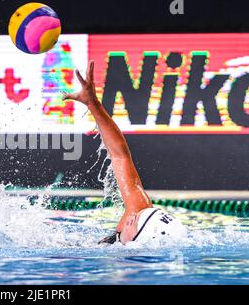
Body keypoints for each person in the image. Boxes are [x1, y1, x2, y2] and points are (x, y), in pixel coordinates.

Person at [63, 60, 187, 245]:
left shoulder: (120, 260)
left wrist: (127, 247)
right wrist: (93, 104)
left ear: (137, 240)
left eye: (134, 222)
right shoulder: (140, 211)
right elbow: (120, 155)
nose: (131, 217)